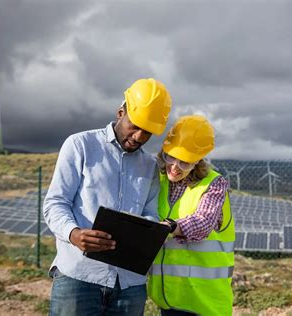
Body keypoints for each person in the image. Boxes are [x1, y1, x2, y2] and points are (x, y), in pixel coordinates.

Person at [43, 78, 172, 315]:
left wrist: (151, 231)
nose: (139, 137)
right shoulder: (80, 145)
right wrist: (74, 234)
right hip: (79, 277)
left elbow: (151, 214)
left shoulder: (151, 166)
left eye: (148, 132)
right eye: (135, 126)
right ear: (120, 112)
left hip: (129, 285)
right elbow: (55, 203)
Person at [147, 115, 235, 316]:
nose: (175, 167)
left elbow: (203, 222)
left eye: (185, 163)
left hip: (204, 303)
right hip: (169, 298)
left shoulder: (214, 184)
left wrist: (171, 226)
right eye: (170, 157)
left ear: (197, 162)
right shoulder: (157, 182)